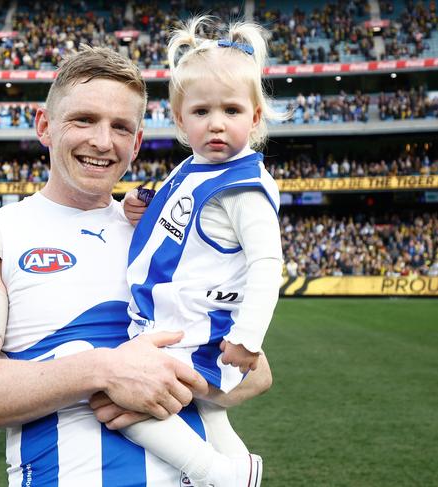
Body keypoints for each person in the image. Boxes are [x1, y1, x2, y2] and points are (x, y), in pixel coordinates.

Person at [0, 45, 272, 486]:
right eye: (84, 120)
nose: (102, 141)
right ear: (45, 126)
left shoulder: (159, 234)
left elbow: (256, 373)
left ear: (136, 143)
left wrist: (164, 381)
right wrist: (103, 371)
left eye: (120, 127)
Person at [118, 16, 286, 487]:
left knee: (120, 406)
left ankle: (214, 474)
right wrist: (137, 208)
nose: (216, 124)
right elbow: (177, 219)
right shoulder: (195, 166)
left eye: (232, 111)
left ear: (255, 118)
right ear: (178, 119)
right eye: (201, 112)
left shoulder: (243, 190)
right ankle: (240, 470)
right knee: (210, 416)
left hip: (195, 334)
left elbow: (267, 265)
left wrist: (249, 338)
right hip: (169, 324)